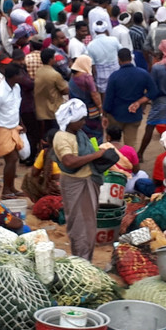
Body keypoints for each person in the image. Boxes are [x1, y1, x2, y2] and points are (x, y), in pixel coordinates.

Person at [53, 99, 110, 261]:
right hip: (76, 183)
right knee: (80, 225)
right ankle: (81, 260)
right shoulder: (62, 137)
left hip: (87, 180)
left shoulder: (77, 134)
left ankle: (86, 259)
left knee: (88, 224)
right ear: (70, 120)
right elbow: (69, 161)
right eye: (81, 120)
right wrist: (96, 155)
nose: (83, 123)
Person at [138, 39, 166, 162]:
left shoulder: (156, 68)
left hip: (158, 101)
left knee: (150, 127)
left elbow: (152, 87)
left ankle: (140, 153)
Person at [102, 48, 155, 149]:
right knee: (130, 145)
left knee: (114, 144)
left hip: (116, 115)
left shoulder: (114, 76)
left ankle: (116, 163)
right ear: (131, 58)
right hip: (134, 115)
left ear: (119, 59)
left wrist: (105, 115)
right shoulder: (143, 73)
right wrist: (139, 102)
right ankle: (130, 162)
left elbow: (108, 98)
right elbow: (153, 92)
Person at [0, 62, 24, 198]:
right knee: (12, 158)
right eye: (20, 74)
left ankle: (11, 187)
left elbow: (15, 107)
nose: (22, 77)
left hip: (13, 126)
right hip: (1, 128)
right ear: (13, 76)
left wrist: (21, 123)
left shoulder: (17, 88)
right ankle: (6, 191)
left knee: (15, 158)